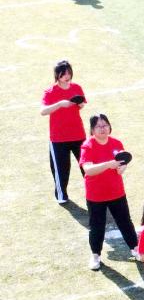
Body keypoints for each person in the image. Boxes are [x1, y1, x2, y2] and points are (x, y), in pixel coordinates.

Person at [79, 114, 139, 270]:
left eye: (105, 125)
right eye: (98, 126)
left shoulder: (116, 143)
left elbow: (122, 165)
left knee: (125, 222)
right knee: (97, 226)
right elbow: (88, 169)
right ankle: (95, 256)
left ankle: (135, 249)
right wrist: (108, 164)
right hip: (96, 195)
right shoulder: (87, 146)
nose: (102, 129)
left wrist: (122, 167)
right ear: (92, 130)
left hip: (116, 192)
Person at [40, 60, 87, 204]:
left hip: (78, 135)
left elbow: (82, 104)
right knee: (61, 169)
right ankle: (61, 196)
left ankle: (94, 193)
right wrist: (60, 104)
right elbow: (43, 111)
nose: (67, 76)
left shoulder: (77, 87)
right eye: (63, 74)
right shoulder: (50, 92)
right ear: (57, 75)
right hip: (58, 139)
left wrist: (80, 104)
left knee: (86, 166)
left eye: (68, 73)